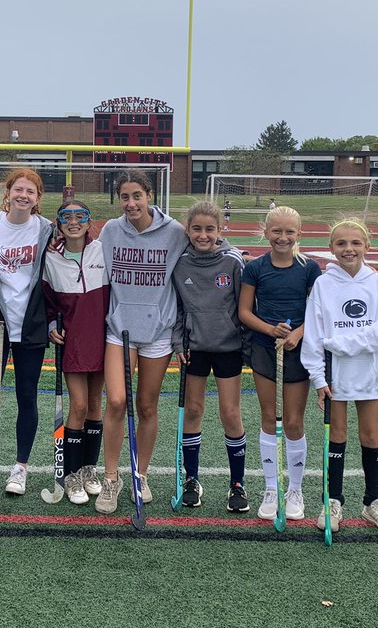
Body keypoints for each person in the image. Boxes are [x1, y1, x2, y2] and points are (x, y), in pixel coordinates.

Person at [302, 219, 378, 534]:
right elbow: (313, 336)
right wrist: (318, 379)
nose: (349, 249)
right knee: (337, 435)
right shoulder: (323, 285)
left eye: (356, 243)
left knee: (371, 435)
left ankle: (374, 503)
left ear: (367, 246)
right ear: (331, 248)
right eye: (341, 243)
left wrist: (342, 343)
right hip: (336, 376)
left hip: (370, 374)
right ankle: (332, 501)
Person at [96, 170, 187, 513]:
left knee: (147, 406)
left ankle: (140, 473)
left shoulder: (174, 232)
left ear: (149, 194)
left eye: (137, 195)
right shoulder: (110, 230)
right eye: (125, 197)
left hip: (158, 332)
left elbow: (205, 246)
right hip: (119, 330)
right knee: (116, 401)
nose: (131, 203)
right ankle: (111, 477)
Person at [0, 169, 53, 500]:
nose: (23, 196)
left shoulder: (46, 229)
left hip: (30, 326)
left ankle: (20, 467)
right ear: (8, 192)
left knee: (26, 397)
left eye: (30, 191)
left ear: (38, 197)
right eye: (18, 189)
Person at [238, 205, 321, 522]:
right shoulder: (255, 268)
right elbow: (245, 312)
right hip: (265, 348)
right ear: (266, 232)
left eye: (289, 232)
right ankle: (271, 488)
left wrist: (298, 333)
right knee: (270, 416)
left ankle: (295, 490)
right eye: (276, 231)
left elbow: (318, 311)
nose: (282, 237)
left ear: (299, 234)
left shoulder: (309, 268)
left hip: (298, 350)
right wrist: (270, 330)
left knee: (294, 421)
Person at [171, 201, 249, 511]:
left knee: (230, 413)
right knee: (193, 410)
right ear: (187, 230)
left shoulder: (233, 261)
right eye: (196, 229)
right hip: (195, 348)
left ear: (219, 230)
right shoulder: (180, 263)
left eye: (209, 229)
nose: (203, 235)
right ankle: (192, 478)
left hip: (228, 348)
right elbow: (177, 307)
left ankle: (237, 484)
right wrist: (179, 343)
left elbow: (245, 306)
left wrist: (245, 345)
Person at [42, 199, 108, 505]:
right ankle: (71, 474)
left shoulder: (102, 250)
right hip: (73, 341)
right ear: (58, 223)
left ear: (89, 221)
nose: (73, 222)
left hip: (103, 338)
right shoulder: (50, 259)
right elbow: (47, 303)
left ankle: (88, 469)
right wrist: (50, 325)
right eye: (66, 217)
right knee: (78, 406)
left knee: (95, 405)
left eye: (80, 216)